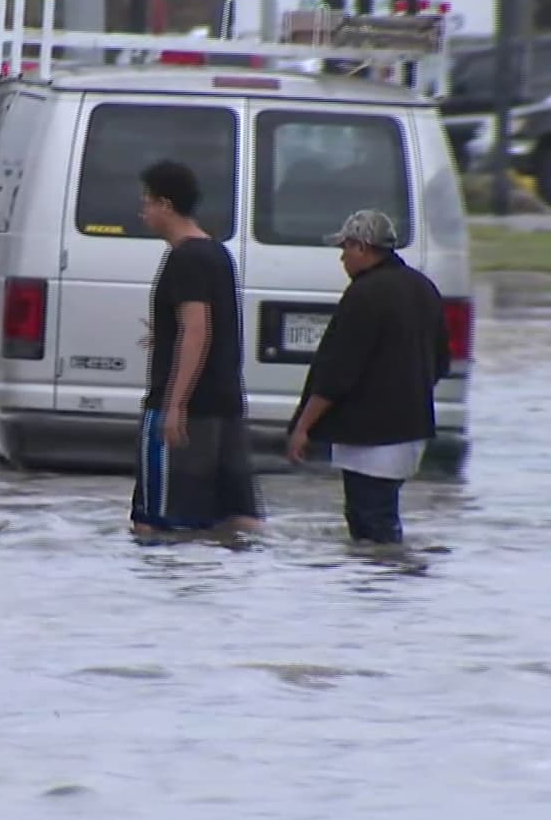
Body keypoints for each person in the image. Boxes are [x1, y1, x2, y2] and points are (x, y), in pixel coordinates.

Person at [287, 209, 452, 546]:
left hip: (371, 439)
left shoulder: (364, 295)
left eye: (345, 248)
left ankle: (379, 591)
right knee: (381, 518)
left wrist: (303, 427)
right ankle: (388, 586)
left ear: (362, 247)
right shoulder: (423, 288)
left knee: (370, 524)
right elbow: (441, 362)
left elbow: (337, 372)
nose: (342, 258)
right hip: (411, 432)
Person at [131, 160, 263, 533]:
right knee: (237, 519)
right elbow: (207, 325)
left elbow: (197, 328)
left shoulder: (184, 258)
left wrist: (175, 404)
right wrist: (164, 333)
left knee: (156, 523)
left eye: (147, 203)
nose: (144, 213)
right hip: (225, 405)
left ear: (166, 205)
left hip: (188, 410)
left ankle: (164, 591)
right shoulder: (217, 254)